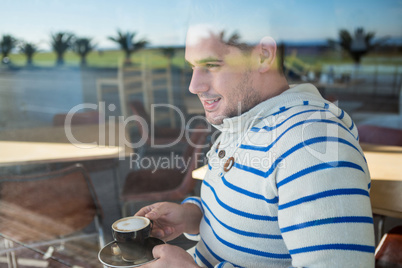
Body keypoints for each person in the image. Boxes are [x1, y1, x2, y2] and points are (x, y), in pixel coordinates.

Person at [136, 24, 375, 267]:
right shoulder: (241, 122)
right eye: (193, 67)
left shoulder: (312, 142)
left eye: (211, 65)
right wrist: (191, 216)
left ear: (263, 56)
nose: (194, 85)